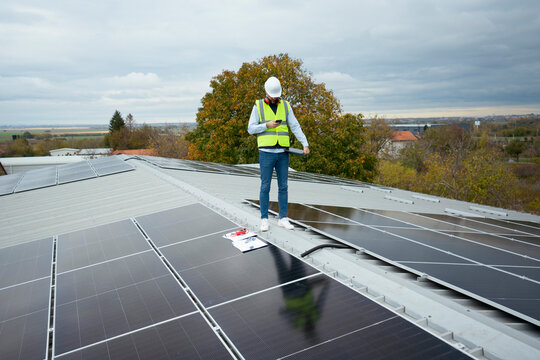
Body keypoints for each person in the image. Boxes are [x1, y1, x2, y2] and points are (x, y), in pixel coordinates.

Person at [248, 76, 309, 232]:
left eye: (277, 95)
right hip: (266, 153)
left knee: (283, 186)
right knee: (265, 186)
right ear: (266, 92)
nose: (275, 98)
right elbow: (251, 129)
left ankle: (283, 218)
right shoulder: (258, 106)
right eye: (272, 95)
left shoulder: (286, 106)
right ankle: (264, 219)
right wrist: (266, 125)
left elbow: (295, 126)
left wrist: (305, 143)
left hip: (283, 153)